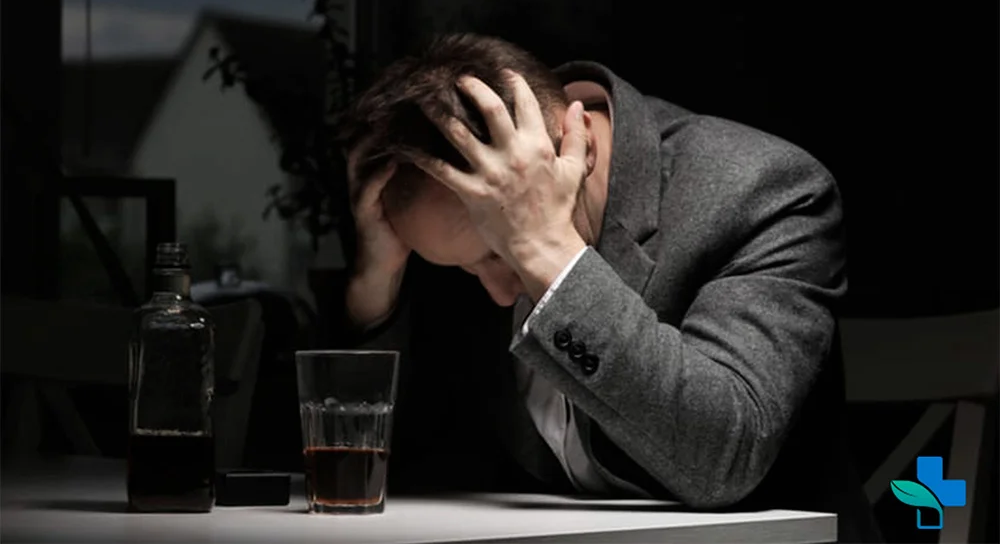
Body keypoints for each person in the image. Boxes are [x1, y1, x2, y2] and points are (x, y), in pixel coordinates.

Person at [337, 33, 881, 542]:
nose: (500, 294)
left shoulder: (764, 190)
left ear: (582, 150)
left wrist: (546, 252)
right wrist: (375, 286)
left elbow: (723, 459)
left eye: (499, 255)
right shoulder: (455, 221)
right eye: (467, 268)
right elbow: (378, 474)